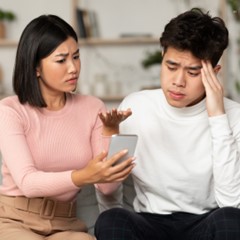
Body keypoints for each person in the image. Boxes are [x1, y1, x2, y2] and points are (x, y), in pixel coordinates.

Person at [94, 8, 240, 240]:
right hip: (150, 223)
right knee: (110, 220)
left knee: (232, 220)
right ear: (162, 57)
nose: (178, 82)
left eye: (193, 72)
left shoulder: (233, 116)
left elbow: (231, 202)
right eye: (171, 67)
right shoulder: (136, 107)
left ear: (214, 72)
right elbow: (112, 185)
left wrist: (217, 117)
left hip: (205, 222)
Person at [0, 15, 135, 240]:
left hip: (66, 223)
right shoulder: (10, 109)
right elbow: (28, 183)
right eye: (61, 60)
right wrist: (83, 176)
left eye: (76, 57)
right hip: (15, 219)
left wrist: (111, 132)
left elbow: (107, 188)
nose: (73, 68)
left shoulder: (93, 107)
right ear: (36, 68)